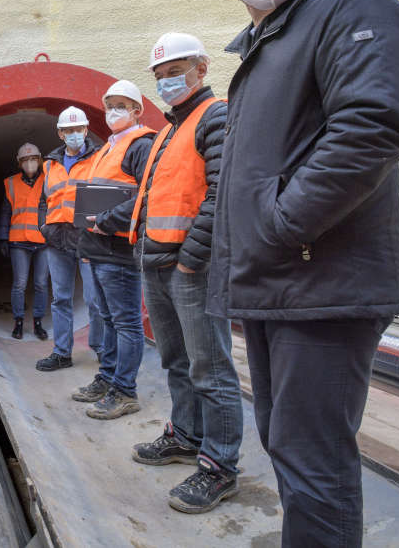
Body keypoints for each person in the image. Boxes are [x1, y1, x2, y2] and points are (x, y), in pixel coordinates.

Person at [209, 0, 399, 545]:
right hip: (282, 285)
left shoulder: (348, 10)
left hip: (322, 285)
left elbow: (372, 126)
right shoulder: (258, 61)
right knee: (288, 446)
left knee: (313, 462)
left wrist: (279, 226)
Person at [128, 32, 243, 514]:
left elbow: (221, 195)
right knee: (176, 362)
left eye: (175, 71)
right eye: (159, 76)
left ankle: (219, 465)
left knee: (210, 368)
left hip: (189, 268)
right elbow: (160, 197)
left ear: (201, 67)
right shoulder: (170, 130)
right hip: (157, 264)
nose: (167, 82)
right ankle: (186, 435)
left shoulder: (214, 117)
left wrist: (191, 257)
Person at [73, 80, 156, 418]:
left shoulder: (141, 146)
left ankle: (124, 390)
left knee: (126, 323)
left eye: (121, 106)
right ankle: (107, 378)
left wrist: (107, 220)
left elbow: (145, 196)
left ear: (136, 111)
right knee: (106, 318)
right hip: (98, 247)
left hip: (119, 249)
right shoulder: (108, 146)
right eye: (109, 106)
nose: (113, 112)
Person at [36, 106, 99, 371]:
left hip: (86, 238)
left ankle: (103, 350)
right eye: (68, 130)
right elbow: (43, 200)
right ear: (60, 134)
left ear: (86, 130)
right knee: (60, 299)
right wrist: (44, 227)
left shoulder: (99, 158)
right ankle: (62, 353)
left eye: (78, 129)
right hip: (57, 239)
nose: (74, 134)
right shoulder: (50, 163)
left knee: (95, 299)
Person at [0, 142, 50, 340]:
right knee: (19, 284)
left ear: (39, 161)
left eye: (33, 159)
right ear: (20, 163)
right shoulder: (11, 183)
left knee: (41, 284)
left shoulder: (48, 181)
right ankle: (18, 322)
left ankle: (38, 322)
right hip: (18, 242)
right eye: (25, 160)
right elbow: (5, 212)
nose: (30, 163)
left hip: (43, 242)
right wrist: (2, 238)